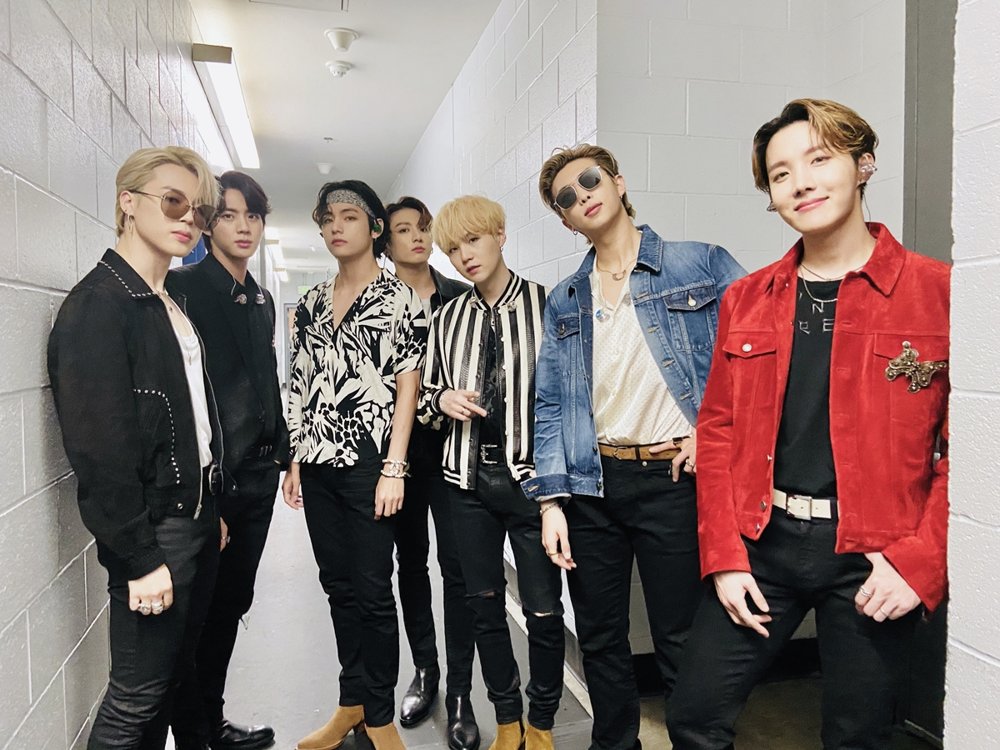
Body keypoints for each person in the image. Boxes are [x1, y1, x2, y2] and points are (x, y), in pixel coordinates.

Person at [666, 99, 950, 750]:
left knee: (857, 736)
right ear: (771, 196)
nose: (801, 182)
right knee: (694, 715)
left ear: (864, 164)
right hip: (762, 540)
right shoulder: (747, 297)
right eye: (780, 173)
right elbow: (717, 433)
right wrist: (724, 556)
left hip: (874, 553)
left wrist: (920, 561)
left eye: (819, 159)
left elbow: (973, 453)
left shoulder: (938, 292)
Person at [524, 144, 745, 750]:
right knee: (599, 637)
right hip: (592, 483)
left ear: (619, 183)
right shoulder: (566, 299)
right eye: (566, 198)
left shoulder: (700, 264)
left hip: (673, 479)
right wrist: (551, 502)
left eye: (590, 180)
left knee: (681, 637)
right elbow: (550, 403)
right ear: (566, 221)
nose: (583, 196)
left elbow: (759, 354)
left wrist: (714, 430)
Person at [48, 146, 224, 748]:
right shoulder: (100, 306)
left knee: (173, 681)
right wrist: (139, 559)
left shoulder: (166, 302)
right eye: (173, 202)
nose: (189, 218)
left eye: (199, 211)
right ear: (128, 202)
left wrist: (209, 507)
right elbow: (100, 455)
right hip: (155, 533)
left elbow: (192, 422)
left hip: (193, 517)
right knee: (136, 700)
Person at [284, 180, 426, 750]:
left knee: (372, 590)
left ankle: (380, 715)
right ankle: (351, 702)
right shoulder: (311, 303)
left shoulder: (400, 300)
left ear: (374, 228)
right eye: (327, 218)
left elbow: (408, 388)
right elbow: (299, 384)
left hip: (370, 462)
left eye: (348, 216)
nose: (335, 226)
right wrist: (295, 458)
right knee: (337, 586)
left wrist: (394, 467)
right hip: (318, 462)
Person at [419, 195, 563, 750]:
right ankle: (507, 719)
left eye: (474, 240)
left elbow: (569, 400)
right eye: (454, 249)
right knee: (482, 606)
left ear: (500, 235)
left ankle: (542, 721)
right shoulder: (446, 317)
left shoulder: (548, 305)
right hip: (466, 483)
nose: (465, 256)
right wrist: (441, 399)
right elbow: (425, 395)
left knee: (544, 610)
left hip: (533, 484)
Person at [168, 171, 288, 750]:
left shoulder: (261, 300)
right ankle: (192, 734)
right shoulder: (183, 289)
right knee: (198, 614)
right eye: (229, 216)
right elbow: (184, 399)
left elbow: (265, 382)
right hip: (213, 483)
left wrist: (285, 453)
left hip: (257, 480)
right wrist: (205, 493)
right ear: (208, 224)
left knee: (232, 603)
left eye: (253, 216)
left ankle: (210, 721)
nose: (243, 227)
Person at [384, 196, 480, 750]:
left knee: (458, 569)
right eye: (404, 229)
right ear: (387, 240)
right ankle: (426, 670)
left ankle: (462, 693)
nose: (417, 237)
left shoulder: (461, 296)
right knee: (411, 564)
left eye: (423, 227)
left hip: (454, 452)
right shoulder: (378, 299)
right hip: (398, 457)